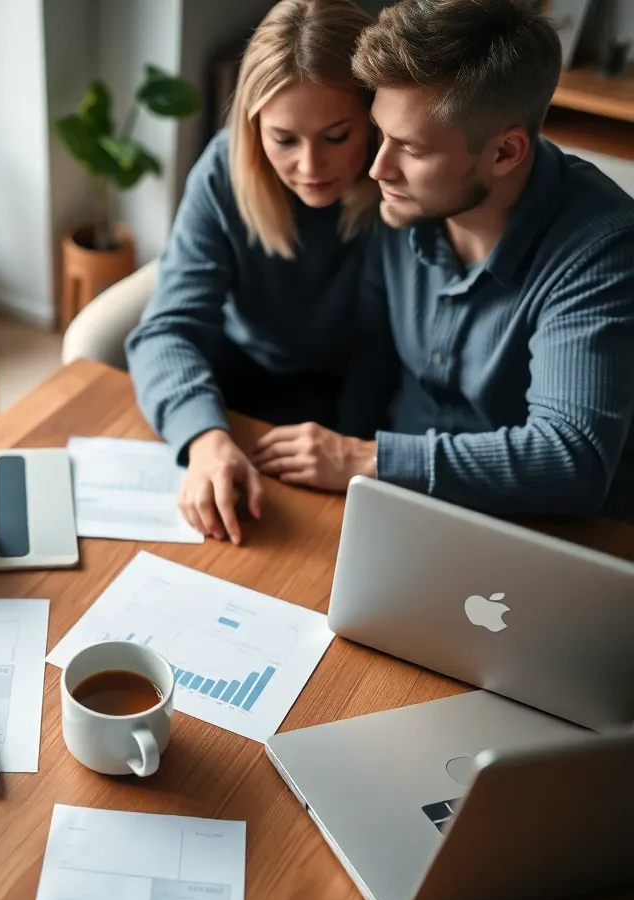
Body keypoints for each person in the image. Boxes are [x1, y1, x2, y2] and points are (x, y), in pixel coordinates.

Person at [252, 0, 634, 521]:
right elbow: (372, 358)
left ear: (504, 152)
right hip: (393, 505)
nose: (377, 168)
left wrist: (365, 458)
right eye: (379, 133)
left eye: (409, 148)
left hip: (541, 533)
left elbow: (571, 460)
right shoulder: (406, 202)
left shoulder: (602, 249)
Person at [125, 0, 387, 545]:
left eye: (336, 136)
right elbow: (166, 331)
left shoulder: (401, 186)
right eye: (284, 140)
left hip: (358, 413)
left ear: (373, 117)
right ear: (253, 127)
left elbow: (388, 353)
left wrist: (356, 449)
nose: (310, 169)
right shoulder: (224, 173)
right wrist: (204, 438)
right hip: (239, 387)